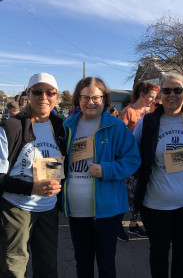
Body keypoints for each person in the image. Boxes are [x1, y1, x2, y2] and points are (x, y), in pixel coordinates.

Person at [63, 76, 141, 278]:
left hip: (107, 210)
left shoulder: (116, 126)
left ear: (105, 99)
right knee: (83, 262)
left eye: (96, 97)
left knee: (106, 263)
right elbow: (58, 159)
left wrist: (107, 169)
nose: (90, 102)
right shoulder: (67, 126)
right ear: (78, 100)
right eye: (85, 97)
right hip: (76, 209)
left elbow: (133, 160)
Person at [134, 73, 183, 278]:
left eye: (177, 90)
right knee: (158, 254)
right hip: (155, 204)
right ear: (160, 93)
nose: (172, 95)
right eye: (167, 90)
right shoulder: (147, 122)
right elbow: (130, 154)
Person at [0, 72, 67, 278]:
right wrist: (32, 188)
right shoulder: (11, 127)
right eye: (38, 91)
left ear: (57, 96)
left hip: (47, 209)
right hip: (16, 208)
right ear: (28, 93)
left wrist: (57, 186)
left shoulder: (59, 126)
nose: (44, 97)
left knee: (47, 269)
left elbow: (56, 164)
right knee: (13, 270)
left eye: (50, 92)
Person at [118, 81, 157, 240]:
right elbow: (118, 135)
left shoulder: (147, 111)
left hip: (143, 160)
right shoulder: (129, 111)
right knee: (129, 195)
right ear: (142, 94)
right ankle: (117, 225)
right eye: (151, 97)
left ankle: (133, 225)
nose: (153, 101)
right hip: (129, 161)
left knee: (139, 194)